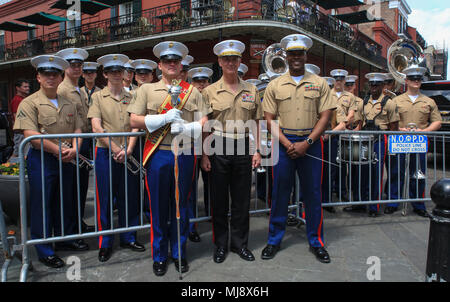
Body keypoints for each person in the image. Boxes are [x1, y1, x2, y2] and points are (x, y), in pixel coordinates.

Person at [129, 41, 211, 276]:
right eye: (167, 61)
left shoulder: (192, 90)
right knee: (158, 207)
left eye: (176, 60)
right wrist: (161, 120)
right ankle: (159, 255)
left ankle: (179, 252)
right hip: (158, 153)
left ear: (181, 64)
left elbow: (205, 121)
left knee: (181, 205)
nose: (172, 64)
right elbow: (133, 120)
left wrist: (188, 126)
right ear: (160, 65)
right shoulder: (146, 90)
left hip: (184, 152)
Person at [261, 34, 335, 263]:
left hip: (311, 144)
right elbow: (269, 118)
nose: (295, 57)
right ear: (286, 56)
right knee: (280, 193)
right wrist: (286, 143)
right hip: (284, 143)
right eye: (291, 53)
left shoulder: (319, 83)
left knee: (313, 194)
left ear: (305, 55)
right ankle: (274, 240)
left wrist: (308, 143)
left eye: (299, 53)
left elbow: (325, 116)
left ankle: (317, 241)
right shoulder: (275, 84)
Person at [13, 55, 85, 268]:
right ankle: (44, 248)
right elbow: (31, 134)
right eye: (46, 74)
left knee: (66, 200)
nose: (51, 78)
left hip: (67, 157)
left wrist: (75, 148)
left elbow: (78, 128)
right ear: (39, 76)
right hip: (42, 159)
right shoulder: (29, 102)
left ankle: (65, 239)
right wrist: (61, 150)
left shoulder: (68, 102)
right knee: (42, 203)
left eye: (54, 74)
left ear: (60, 76)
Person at [201, 40, 262, 264]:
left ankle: (240, 244)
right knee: (219, 201)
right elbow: (205, 126)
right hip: (218, 146)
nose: (230, 62)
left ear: (239, 62)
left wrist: (257, 151)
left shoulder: (252, 90)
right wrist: (205, 155)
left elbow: (256, 123)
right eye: (226, 59)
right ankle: (220, 245)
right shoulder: (209, 91)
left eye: (234, 59)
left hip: (243, 146)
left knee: (241, 200)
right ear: (219, 61)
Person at [88, 54, 145, 262]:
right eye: (111, 71)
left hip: (128, 150)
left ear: (124, 74)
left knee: (129, 196)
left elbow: (135, 125)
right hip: (105, 152)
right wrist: (115, 149)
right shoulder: (97, 97)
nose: (116, 74)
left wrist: (128, 149)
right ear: (105, 74)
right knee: (104, 198)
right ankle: (105, 242)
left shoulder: (132, 97)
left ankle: (128, 237)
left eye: (119, 71)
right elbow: (96, 126)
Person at [385, 67, 441, 217]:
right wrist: (399, 129)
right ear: (406, 81)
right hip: (400, 140)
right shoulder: (396, 100)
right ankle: (392, 202)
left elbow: (437, 122)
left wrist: (425, 132)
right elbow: (388, 121)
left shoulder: (429, 101)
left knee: (418, 174)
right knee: (396, 172)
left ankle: (418, 204)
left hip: (419, 141)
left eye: (419, 79)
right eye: (413, 79)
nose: (416, 81)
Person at [344, 73, 399, 217]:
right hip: (364, 141)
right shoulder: (364, 102)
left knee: (376, 174)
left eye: (377, 85)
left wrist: (388, 146)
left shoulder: (390, 103)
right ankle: (359, 204)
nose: (374, 87)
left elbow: (394, 126)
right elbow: (359, 122)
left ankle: (374, 207)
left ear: (382, 86)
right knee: (360, 174)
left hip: (380, 141)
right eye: (372, 84)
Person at [56, 48, 93, 238]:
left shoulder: (79, 89)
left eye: (79, 65)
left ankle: (78, 223)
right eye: (72, 65)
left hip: (82, 143)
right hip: (71, 146)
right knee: (69, 191)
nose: (77, 68)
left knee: (80, 188)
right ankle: (70, 230)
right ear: (65, 67)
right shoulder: (62, 90)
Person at [186, 66, 214, 242]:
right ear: (192, 83)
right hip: (191, 148)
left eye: (204, 81)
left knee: (213, 186)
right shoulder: (187, 99)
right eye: (197, 81)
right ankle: (192, 225)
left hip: (213, 148)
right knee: (190, 190)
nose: (201, 84)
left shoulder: (214, 97)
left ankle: (212, 217)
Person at [325, 69, 357, 210]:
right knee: (327, 167)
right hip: (327, 135)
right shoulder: (327, 94)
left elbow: (350, 116)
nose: (338, 81)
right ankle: (327, 193)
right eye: (336, 79)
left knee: (341, 165)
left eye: (341, 79)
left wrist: (339, 127)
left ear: (344, 80)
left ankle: (341, 191)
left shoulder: (349, 96)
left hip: (341, 134)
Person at [9, 79, 30, 160]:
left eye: (28, 86)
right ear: (18, 88)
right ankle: (6, 170)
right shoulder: (17, 100)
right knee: (17, 153)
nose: (27, 88)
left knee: (24, 153)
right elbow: (16, 115)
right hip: (21, 131)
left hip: (25, 130)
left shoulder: (24, 99)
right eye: (25, 87)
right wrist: (21, 129)